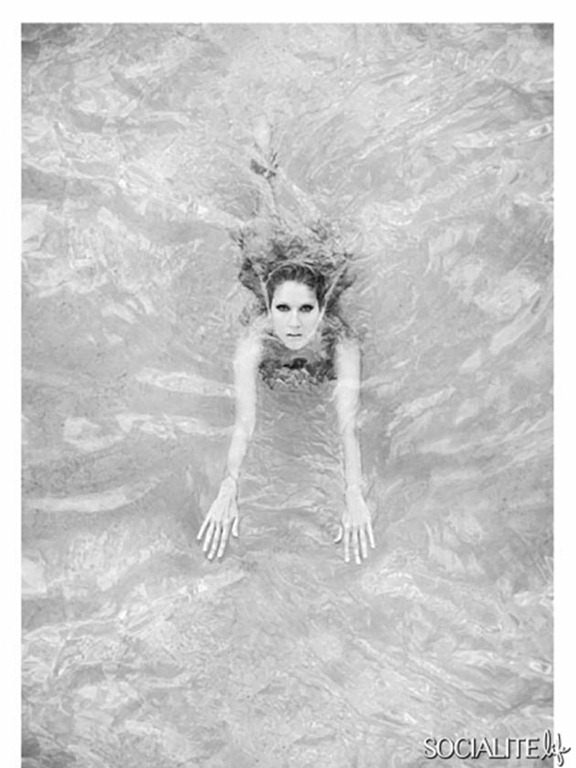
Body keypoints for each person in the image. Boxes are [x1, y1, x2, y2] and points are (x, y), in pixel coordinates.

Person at [197, 221, 375, 565]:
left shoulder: (341, 342)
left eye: (306, 309)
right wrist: (229, 484)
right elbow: (244, 424)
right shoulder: (254, 342)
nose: (294, 324)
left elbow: (347, 425)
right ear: (269, 309)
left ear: (321, 310)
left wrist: (353, 492)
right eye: (283, 309)